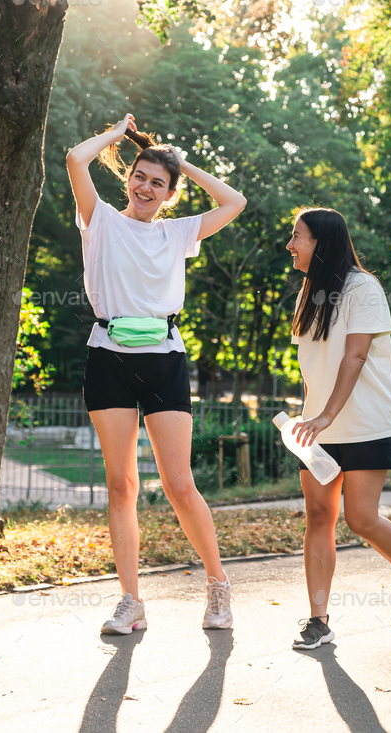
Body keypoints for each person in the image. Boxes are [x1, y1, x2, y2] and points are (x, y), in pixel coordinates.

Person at [66, 113, 246, 635]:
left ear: (170, 193)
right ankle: (130, 601)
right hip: (109, 357)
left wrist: (182, 163)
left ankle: (218, 586)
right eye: (140, 177)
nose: (146, 187)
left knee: (178, 482)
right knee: (121, 485)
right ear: (128, 178)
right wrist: (122, 134)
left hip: (163, 358)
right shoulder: (98, 219)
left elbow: (233, 203)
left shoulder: (179, 231)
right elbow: (76, 159)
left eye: (158, 183)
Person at [285, 206, 391, 650]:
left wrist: (326, 414)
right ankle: (318, 620)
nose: (290, 244)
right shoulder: (307, 294)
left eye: (298, 236)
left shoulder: (364, 288)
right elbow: (312, 365)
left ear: (321, 243)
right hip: (318, 430)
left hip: (366, 423)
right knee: (319, 518)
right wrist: (307, 414)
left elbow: (355, 356)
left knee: (361, 519)